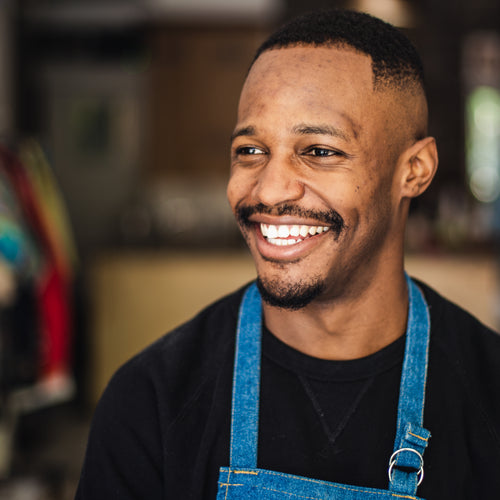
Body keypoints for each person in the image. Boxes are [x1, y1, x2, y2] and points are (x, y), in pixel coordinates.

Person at [76, 9, 500, 499]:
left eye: (319, 151)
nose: (270, 188)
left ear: (415, 170)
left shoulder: (488, 399)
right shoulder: (149, 401)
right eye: (250, 151)